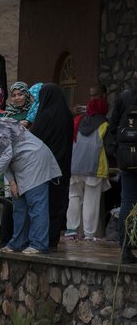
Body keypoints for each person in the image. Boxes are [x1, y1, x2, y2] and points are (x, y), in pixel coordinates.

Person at [0, 111, 61, 253]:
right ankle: (18, 242)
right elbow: (3, 160)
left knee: (36, 203)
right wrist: (12, 182)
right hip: (20, 166)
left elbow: (6, 154)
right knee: (19, 204)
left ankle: (38, 244)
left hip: (34, 160)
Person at [30, 83, 73, 252]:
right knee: (58, 202)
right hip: (63, 165)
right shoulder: (67, 115)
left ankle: (41, 239)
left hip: (44, 169)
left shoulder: (45, 115)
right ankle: (53, 239)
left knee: (42, 203)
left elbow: (33, 138)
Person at [66, 97, 110, 240]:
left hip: (74, 166)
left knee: (73, 197)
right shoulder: (104, 124)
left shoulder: (77, 121)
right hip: (94, 167)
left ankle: (71, 230)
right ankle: (89, 234)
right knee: (91, 200)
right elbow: (109, 148)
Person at [106, 73, 137, 264]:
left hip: (128, 158)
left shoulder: (125, 97)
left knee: (127, 202)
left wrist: (115, 151)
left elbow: (112, 125)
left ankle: (125, 248)